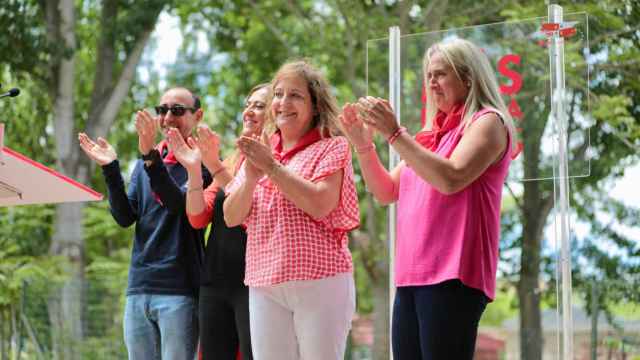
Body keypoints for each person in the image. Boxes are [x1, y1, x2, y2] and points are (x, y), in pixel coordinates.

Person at [340, 38, 515, 359]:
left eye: (441, 74)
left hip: (453, 273)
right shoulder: (431, 137)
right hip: (411, 276)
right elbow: (385, 191)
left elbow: (451, 178)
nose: (431, 83)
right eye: (429, 75)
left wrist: (394, 133)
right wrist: (364, 145)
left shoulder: (488, 122)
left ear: (468, 78)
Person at [223, 60, 360, 360]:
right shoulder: (261, 147)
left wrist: (271, 167)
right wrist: (250, 177)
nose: (283, 103)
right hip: (265, 282)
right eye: (279, 94)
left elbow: (320, 204)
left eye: (295, 95)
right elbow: (231, 216)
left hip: (321, 280)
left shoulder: (332, 146)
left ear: (315, 105)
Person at [78, 87, 212, 360]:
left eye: (177, 110)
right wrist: (111, 168)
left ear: (197, 116)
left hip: (180, 291)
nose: (167, 117)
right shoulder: (144, 164)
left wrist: (149, 156)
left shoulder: (204, 165)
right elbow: (125, 217)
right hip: (139, 289)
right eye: (162, 110)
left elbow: (177, 205)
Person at [166, 83, 270, 360]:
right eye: (248, 104)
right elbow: (198, 217)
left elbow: (254, 209)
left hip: (256, 283)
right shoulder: (233, 159)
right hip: (215, 283)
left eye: (259, 105)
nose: (249, 111)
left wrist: (215, 167)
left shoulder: (278, 162)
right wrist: (193, 169)